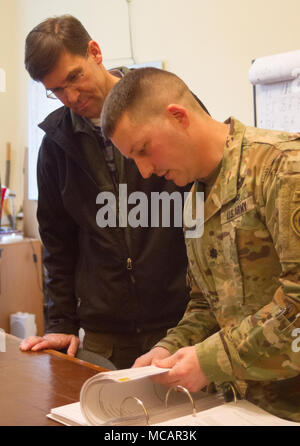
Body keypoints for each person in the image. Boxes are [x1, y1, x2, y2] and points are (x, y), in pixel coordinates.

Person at [100, 67, 300, 421]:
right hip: (240, 407)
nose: (144, 171)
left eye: (144, 150)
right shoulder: (193, 202)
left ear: (177, 117)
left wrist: (211, 360)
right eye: (133, 160)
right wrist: (169, 348)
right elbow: (207, 304)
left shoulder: (283, 169)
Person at [20, 15, 209, 369]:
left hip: (182, 321)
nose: (71, 97)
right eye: (57, 90)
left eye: (74, 77)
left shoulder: (162, 104)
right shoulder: (56, 146)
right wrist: (61, 323)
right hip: (104, 334)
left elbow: (205, 211)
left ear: (95, 52)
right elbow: (58, 246)